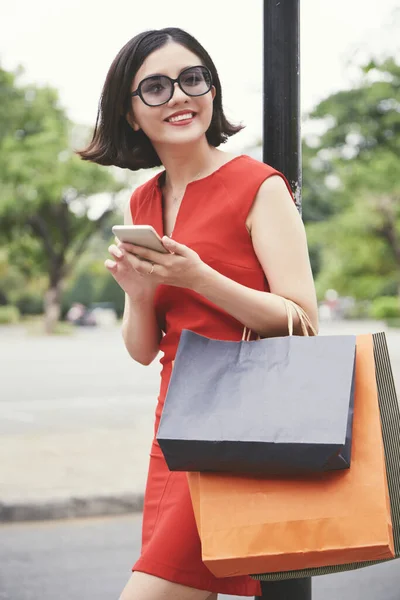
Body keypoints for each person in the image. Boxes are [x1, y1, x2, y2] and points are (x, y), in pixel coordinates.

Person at [78, 26, 319, 600]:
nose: (179, 96)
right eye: (155, 87)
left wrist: (199, 278)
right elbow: (143, 351)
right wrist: (138, 293)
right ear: (131, 114)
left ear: (212, 90)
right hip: (174, 427)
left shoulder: (260, 187)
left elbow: (303, 321)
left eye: (192, 78)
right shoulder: (143, 201)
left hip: (241, 425)